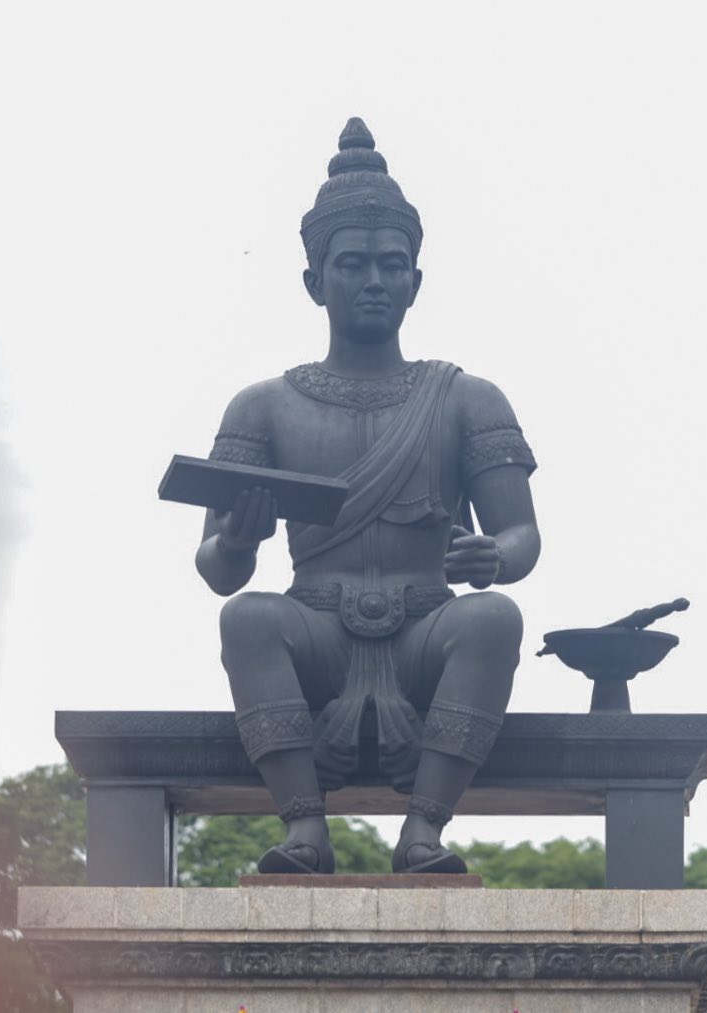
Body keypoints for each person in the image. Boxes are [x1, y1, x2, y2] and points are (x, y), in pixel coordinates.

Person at [193, 118, 541, 875]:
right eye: (353, 264)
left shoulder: (466, 398)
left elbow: (522, 537)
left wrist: (493, 555)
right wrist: (239, 539)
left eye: (392, 265)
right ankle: (303, 828)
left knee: (492, 617)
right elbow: (218, 567)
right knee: (247, 616)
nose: (375, 281)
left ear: (416, 280)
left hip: (427, 629)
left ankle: (424, 830)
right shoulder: (263, 406)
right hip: (314, 628)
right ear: (316, 281)